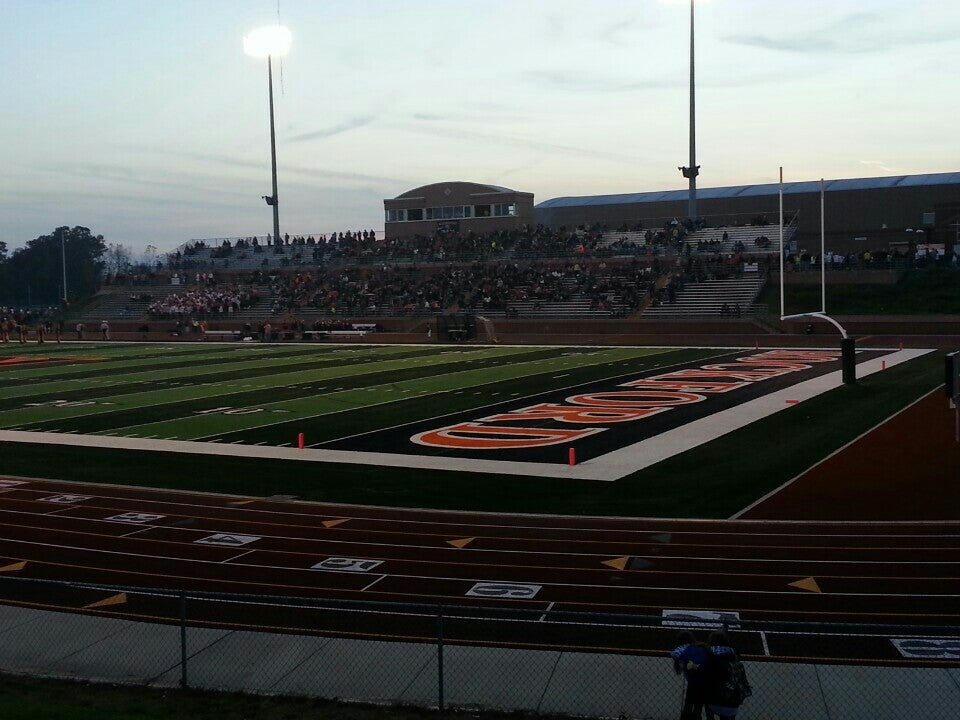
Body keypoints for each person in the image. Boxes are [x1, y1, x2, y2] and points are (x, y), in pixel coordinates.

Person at [705, 631, 751, 719]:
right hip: (732, 704)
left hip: (713, 701)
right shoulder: (737, 664)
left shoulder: (708, 660)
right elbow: (744, 685)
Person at [671, 630, 712, 720]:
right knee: (700, 705)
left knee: (689, 703)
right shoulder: (701, 647)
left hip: (693, 680)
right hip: (706, 679)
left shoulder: (682, 650)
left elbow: (674, 654)